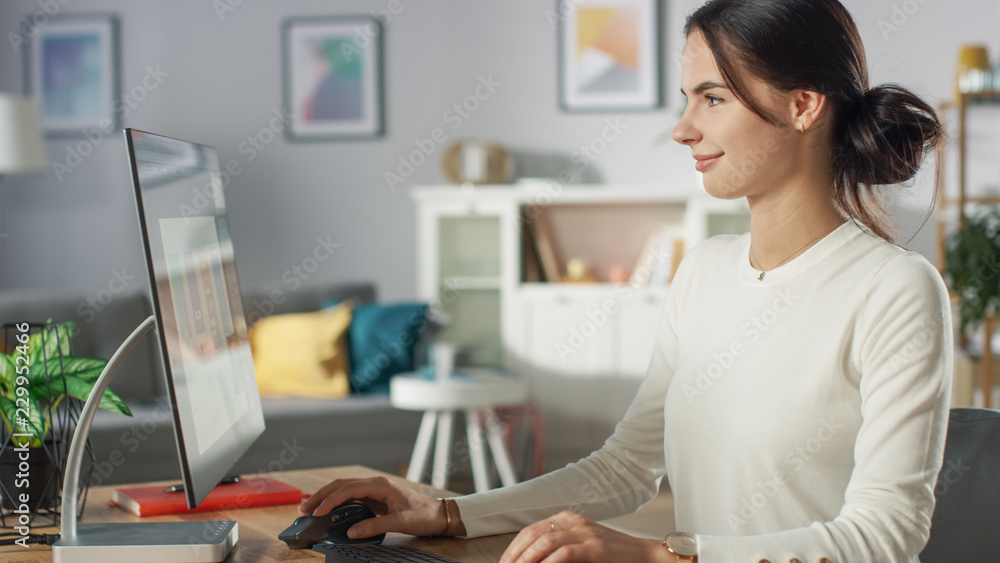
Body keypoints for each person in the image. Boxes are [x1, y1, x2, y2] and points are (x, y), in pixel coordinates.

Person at [299, 1, 952, 561]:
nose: (683, 128)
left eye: (713, 98)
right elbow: (627, 467)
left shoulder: (893, 290)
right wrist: (444, 511)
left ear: (804, 104)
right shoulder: (704, 271)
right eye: (686, 99)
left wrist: (657, 552)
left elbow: (885, 535)